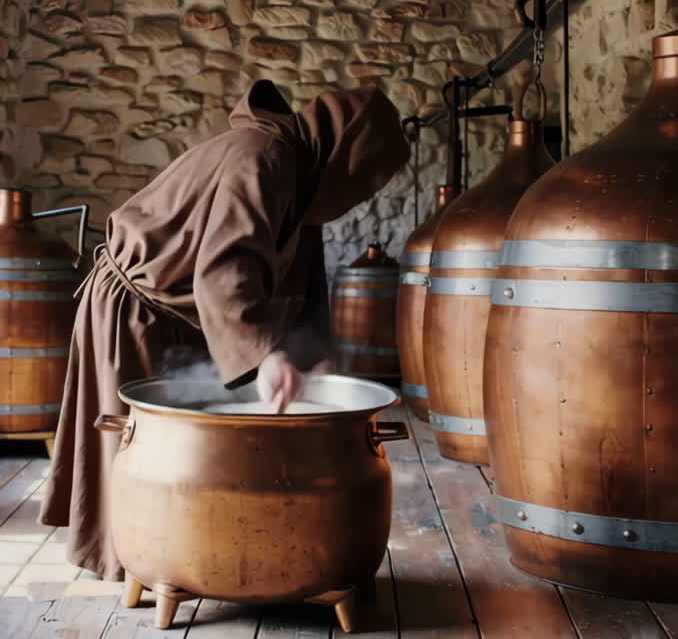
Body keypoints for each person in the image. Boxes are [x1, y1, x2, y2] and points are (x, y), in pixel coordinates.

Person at [38, 79, 411, 580]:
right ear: (348, 151)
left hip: (177, 308)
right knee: (142, 444)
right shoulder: (262, 158)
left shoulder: (302, 176)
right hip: (136, 304)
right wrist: (267, 357)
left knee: (179, 450)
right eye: (363, 176)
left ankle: (183, 550)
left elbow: (307, 277)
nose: (359, 191)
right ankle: (137, 559)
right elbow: (224, 269)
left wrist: (312, 354)